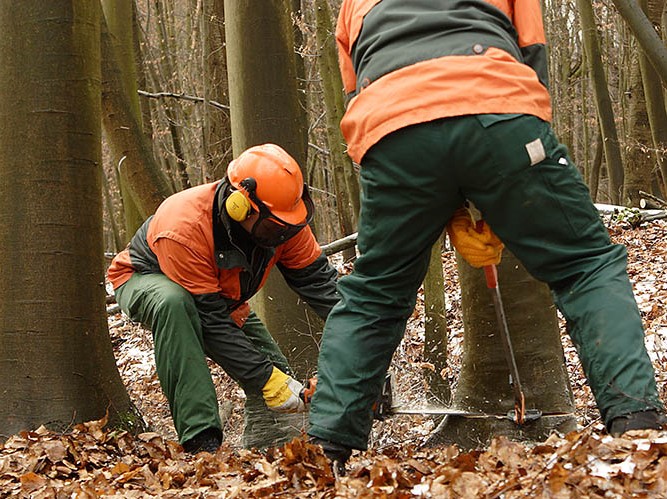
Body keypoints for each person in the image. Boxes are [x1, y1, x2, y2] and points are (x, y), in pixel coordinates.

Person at [308, 0, 665, 473]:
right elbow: (532, 53)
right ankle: (637, 425)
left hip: (390, 132)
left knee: (374, 293)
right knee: (585, 265)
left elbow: (356, 92)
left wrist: (441, 192)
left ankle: (321, 452)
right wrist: (501, 174)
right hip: (498, 106)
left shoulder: (354, 3)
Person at [108, 144, 339, 453]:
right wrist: (264, 376)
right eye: (273, 226)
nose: (280, 234)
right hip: (145, 279)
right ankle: (200, 439)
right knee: (174, 304)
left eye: (286, 226)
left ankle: (265, 445)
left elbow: (320, 282)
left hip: (217, 298)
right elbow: (210, 321)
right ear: (238, 206)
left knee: (278, 380)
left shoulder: (284, 223)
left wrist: (362, 335)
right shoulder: (184, 225)